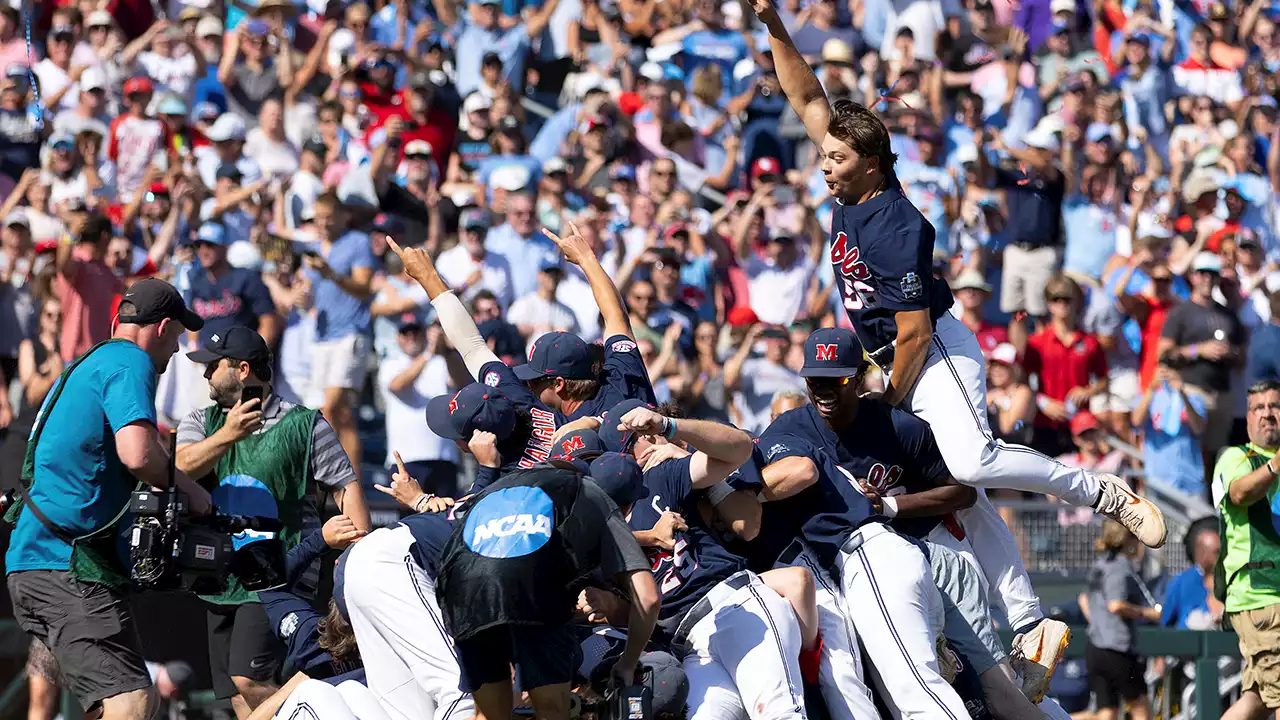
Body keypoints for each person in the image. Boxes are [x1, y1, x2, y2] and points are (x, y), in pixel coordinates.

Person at [750, 0, 1165, 699]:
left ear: (873, 165)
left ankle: (1103, 493)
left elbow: (912, 332)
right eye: (824, 155)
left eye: (837, 158)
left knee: (969, 459)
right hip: (891, 354)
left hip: (933, 349)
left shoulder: (896, 224)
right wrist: (775, 28)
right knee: (963, 498)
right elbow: (806, 93)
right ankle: (1032, 626)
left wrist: (887, 394)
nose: (824, 166)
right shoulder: (850, 179)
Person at [6, 278, 212, 720]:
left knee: (134, 699)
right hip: (64, 564)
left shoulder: (87, 364)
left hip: (44, 562)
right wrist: (189, 489)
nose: (176, 350)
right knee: (131, 704)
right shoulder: (128, 361)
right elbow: (137, 453)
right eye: (177, 337)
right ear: (161, 328)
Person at [749, 327, 972, 718]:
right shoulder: (789, 428)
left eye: (834, 379)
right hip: (858, 570)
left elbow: (962, 492)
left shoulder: (897, 425)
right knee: (901, 693)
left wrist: (887, 506)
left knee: (920, 691)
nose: (822, 389)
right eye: (814, 379)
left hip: (893, 554)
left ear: (857, 378)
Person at [175, 325, 371, 716]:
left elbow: (346, 488)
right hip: (217, 575)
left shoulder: (305, 425)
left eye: (213, 366)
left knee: (250, 679)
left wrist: (361, 560)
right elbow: (180, 469)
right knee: (235, 692)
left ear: (243, 369)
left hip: (279, 574)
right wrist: (228, 434)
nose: (205, 375)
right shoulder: (201, 421)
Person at [435, 464, 662, 720]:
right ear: (626, 507)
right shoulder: (593, 495)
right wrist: (627, 663)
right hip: (533, 588)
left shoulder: (498, 489)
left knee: (488, 716)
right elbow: (648, 599)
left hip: (461, 590)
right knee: (552, 712)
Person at [1216, 380, 1280, 720]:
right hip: (1260, 595)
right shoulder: (1236, 456)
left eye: (1275, 406)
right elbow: (1239, 494)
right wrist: (1275, 465)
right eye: (1260, 408)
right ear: (1249, 417)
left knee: (1255, 701)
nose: (1268, 415)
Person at [1079, 521, 1159, 720]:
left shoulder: (1100, 564)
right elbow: (1116, 605)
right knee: (1141, 708)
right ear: (1128, 540)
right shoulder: (1119, 568)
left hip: (1095, 646)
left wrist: (1098, 622)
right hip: (1116, 650)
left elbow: (1083, 600)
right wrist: (1147, 613)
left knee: (1107, 712)